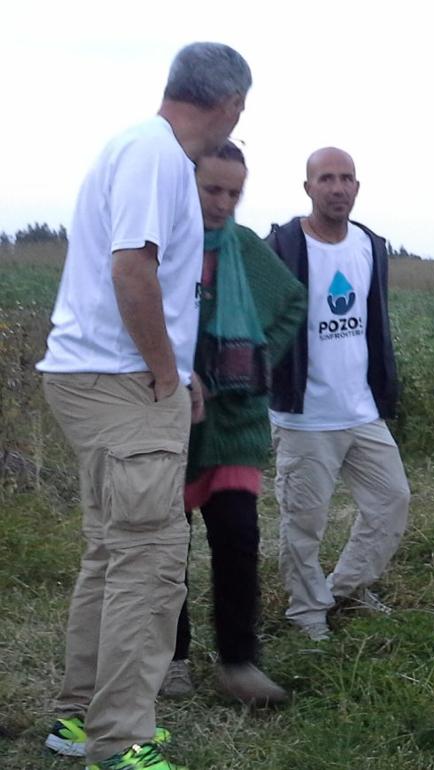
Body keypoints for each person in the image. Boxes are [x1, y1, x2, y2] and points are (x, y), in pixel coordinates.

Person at [35, 42, 250, 769]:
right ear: (230, 103)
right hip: (121, 384)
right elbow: (134, 270)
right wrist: (164, 373)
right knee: (151, 562)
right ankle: (120, 739)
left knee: (111, 553)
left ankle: (78, 719)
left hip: (102, 378)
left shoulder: (142, 150)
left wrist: (175, 370)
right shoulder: (156, 155)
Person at [158, 140, 305, 706]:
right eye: (211, 189)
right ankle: (171, 659)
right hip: (167, 415)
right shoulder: (163, 247)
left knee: (239, 537)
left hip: (235, 420)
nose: (222, 203)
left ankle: (239, 663)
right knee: (168, 545)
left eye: (233, 193)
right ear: (186, 185)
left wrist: (251, 357)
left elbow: (293, 301)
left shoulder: (244, 247)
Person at [267, 147, 410, 642]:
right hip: (306, 414)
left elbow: (374, 325)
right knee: (304, 522)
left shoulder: (370, 245)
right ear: (308, 187)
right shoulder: (282, 247)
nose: (337, 187)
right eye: (326, 178)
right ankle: (307, 612)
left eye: (346, 178)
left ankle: (345, 589)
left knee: (392, 501)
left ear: (357, 187)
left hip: (361, 410)